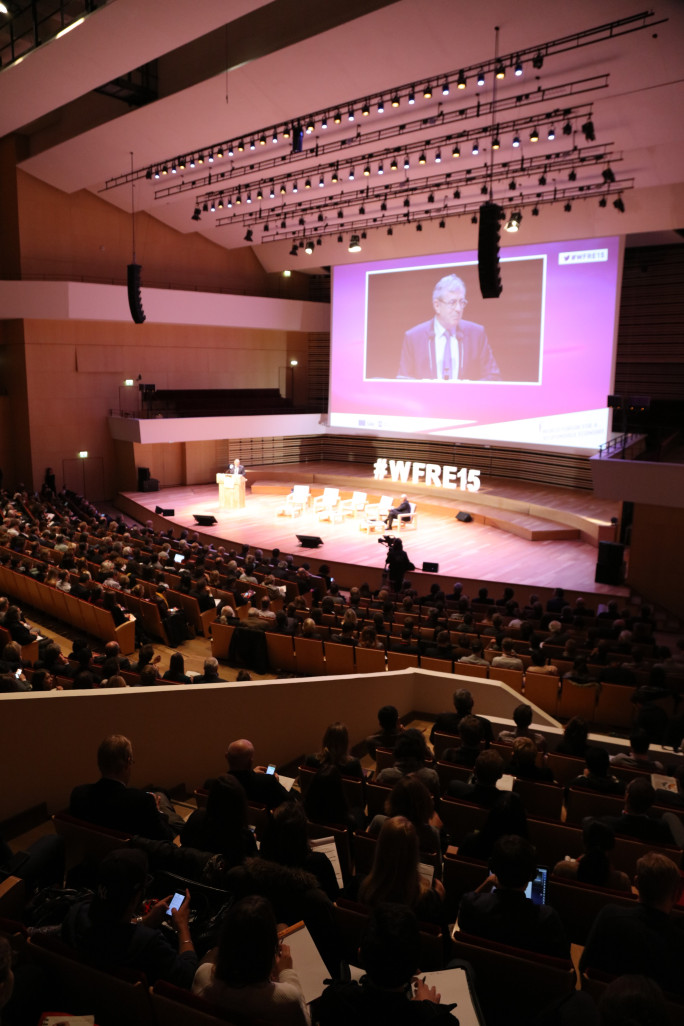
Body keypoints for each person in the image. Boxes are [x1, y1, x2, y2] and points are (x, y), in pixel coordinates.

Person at [61, 848, 197, 988]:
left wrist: (143, 921)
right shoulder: (149, 943)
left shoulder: (76, 914)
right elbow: (187, 976)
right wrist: (182, 927)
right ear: (136, 897)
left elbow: (110, 927)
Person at [313, 903, 456, 1025]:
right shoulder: (439, 1021)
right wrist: (427, 1008)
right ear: (416, 969)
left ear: (360, 955)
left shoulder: (333, 1000)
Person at [192, 895, 309, 1025]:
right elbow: (306, 1021)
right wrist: (287, 972)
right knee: (282, 926)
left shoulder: (203, 974)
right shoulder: (287, 998)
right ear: (269, 950)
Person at [580, 852, 684, 996]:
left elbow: (583, 967)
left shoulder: (609, 916)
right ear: (677, 895)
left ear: (636, 883)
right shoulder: (679, 945)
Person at [458, 834, 570, 959]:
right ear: (533, 876)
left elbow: (464, 917)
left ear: (492, 867)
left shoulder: (472, 905)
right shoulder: (548, 919)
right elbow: (566, 971)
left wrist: (487, 883)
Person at [69, 734, 181, 839]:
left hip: (96, 853)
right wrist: (157, 812)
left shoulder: (78, 794)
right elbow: (166, 838)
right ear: (128, 762)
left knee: (159, 793)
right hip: (142, 856)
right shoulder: (141, 801)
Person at [397, 273, 499, 381]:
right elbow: (404, 380)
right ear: (437, 306)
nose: (458, 309)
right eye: (452, 302)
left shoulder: (476, 334)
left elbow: (493, 377)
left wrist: (468, 389)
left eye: (462, 302)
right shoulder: (414, 337)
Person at [358, 817, 445, 924]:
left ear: (379, 848)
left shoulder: (361, 888)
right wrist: (439, 900)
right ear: (414, 854)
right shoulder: (427, 900)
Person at [224, 738, 292, 809]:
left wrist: (252, 773)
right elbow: (289, 802)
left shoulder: (221, 784)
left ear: (226, 756)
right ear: (250, 762)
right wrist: (276, 782)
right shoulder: (268, 781)